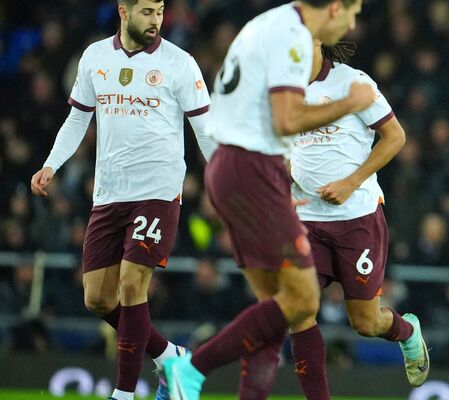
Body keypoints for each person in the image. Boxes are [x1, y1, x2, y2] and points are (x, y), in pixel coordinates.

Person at [163, 1, 373, 400]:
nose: (352, 24)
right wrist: (350, 103)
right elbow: (286, 120)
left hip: (234, 166)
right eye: (353, 12)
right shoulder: (293, 34)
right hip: (251, 167)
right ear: (334, 7)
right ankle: (191, 368)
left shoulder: (265, 25)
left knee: (274, 311)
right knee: (303, 299)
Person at [29, 1, 218, 400]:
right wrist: (51, 164)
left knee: (133, 285)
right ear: (123, 11)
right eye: (147, 11)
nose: (156, 20)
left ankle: (124, 393)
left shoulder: (180, 63)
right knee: (98, 298)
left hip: (158, 190)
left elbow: (205, 130)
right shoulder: (95, 57)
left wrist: (223, 180)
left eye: (160, 11)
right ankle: (170, 356)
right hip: (110, 192)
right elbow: (78, 117)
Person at [292, 40, 428, 387]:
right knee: (297, 309)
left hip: (356, 219)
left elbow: (395, 137)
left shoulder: (353, 82)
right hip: (306, 220)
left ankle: (407, 331)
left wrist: (351, 182)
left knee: (366, 323)